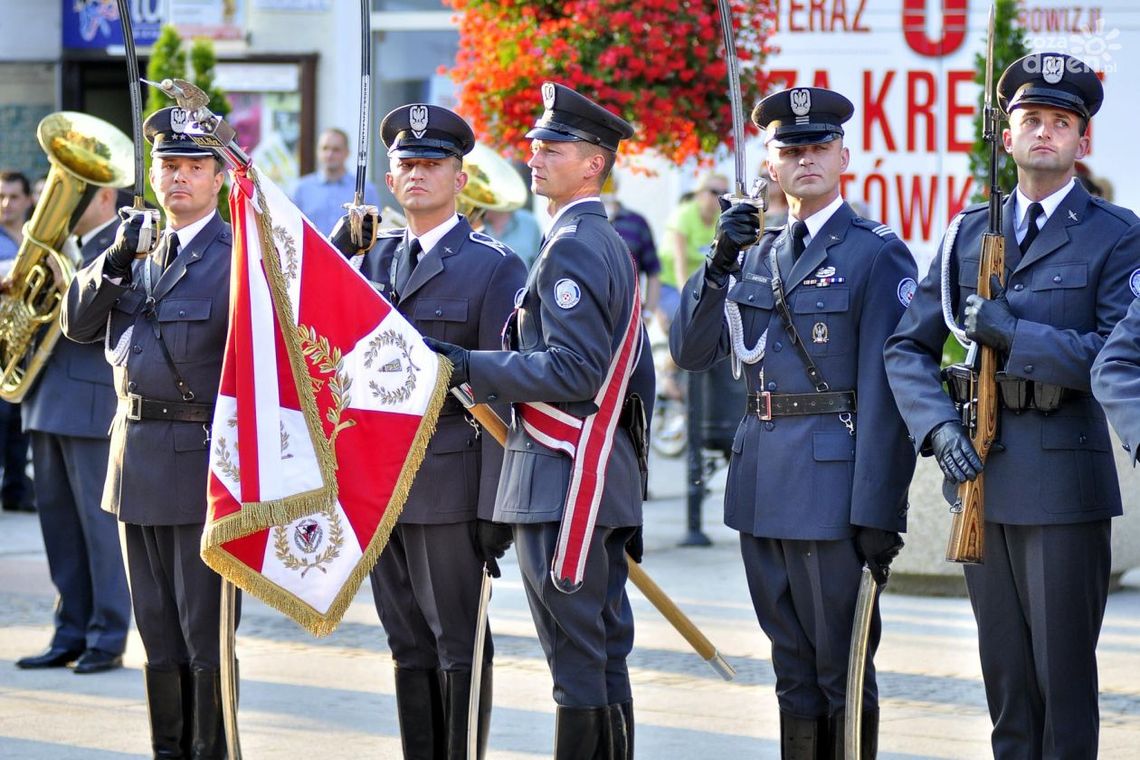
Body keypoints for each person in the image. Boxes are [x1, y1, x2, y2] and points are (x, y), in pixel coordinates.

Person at [883, 53, 1140, 759]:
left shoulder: (1117, 235)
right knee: (1006, 689)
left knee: (1063, 690)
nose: (1046, 132)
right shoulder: (967, 231)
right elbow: (907, 349)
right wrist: (936, 431)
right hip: (982, 479)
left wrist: (1015, 336)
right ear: (1007, 135)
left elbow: (1114, 355)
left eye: (1063, 122)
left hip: (1064, 482)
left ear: (1083, 143)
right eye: (1031, 119)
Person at [670, 86, 917, 758]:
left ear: (844, 155)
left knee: (840, 669)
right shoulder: (755, 249)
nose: (804, 159)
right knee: (790, 672)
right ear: (771, 165)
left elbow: (886, 393)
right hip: (762, 483)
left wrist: (878, 510)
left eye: (817, 147)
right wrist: (717, 261)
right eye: (790, 149)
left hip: (833, 492)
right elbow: (693, 352)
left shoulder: (875, 253)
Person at [424, 82, 653, 760]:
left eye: (553, 147)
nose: (535, 154)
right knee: (601, 653)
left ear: (593, 163)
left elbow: (576, 369)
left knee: (576, 665)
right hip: (589, 472)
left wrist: (472, 364)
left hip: (562, 478)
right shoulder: (597, 238)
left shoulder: (574, 246)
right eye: (534, 143)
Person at [329, 103, 527, 759]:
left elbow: (503, 390)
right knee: (406, 640)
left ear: (459, 177)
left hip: (451, 477)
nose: (418, 175)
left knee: (458, 641)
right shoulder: (370, 260)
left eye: (432, 164)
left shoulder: (493, 266)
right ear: (389, 179)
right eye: (406, 165)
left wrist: (495, 505)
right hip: (378, 483)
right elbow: (314, 339)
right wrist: (336, 251)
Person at [62, 107, 237, 759]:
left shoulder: (236, 257)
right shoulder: (130, 247)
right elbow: (79, 327)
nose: (180, 179)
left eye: (195, 166)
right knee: (156, 635)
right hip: (133, 463)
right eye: (169, 166)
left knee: (204, 635)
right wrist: (111, 260)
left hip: (202, 469)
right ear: (152, 175)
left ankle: (210, 751)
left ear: (218, 178)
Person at [13, 186, 132, 675]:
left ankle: (106, 635)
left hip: (90, 403)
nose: (54, 211)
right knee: (60, 531)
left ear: (104, 195)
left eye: (68, 197)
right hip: (44, 400)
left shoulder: (126, 242)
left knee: (100, 533)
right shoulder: (63, 251)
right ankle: (70, 630)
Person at [0, 170, 36, 512]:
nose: (6, 204)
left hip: (25, 346)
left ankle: (15, 491)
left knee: (18, 426)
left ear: (27, 200)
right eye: (1, 197)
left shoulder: (35, 239)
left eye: (12, 196)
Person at [291, 127, 380, 235]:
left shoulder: (365, 189)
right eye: (325, 148)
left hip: (351, 252)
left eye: (336, 149)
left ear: (347, 153)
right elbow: (293, 228)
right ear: (317, 151)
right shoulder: (301, 189)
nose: (329, 154)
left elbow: (375, 229)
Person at [602, 176, 662, 323]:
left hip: (629, 317)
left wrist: (648, 314)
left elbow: (653, 271)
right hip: (591, 317)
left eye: (607, 182)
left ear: (616, 184)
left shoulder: (637, 222)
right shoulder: (581, 221)